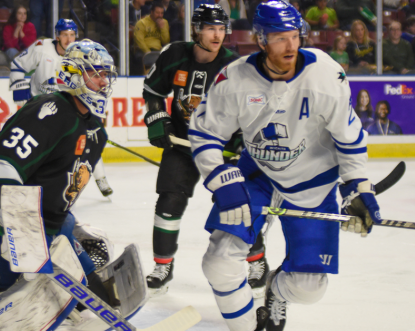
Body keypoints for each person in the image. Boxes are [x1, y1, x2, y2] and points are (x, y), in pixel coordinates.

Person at [190, 2, 383, 330]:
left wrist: (357, 187)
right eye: (280, 38)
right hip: (258, 175)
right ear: (261, 39)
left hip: (314, 182)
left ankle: (276, 291)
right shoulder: (235, 78)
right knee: (219, 262)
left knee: (309, 290)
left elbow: (349, 137)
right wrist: (223, 181)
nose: (291, 45)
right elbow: (204, 131)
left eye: (295, 36)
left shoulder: (326, 73)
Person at [0, 39, 119, 317]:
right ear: (75, 74)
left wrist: (71, 224)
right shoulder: (50, 112)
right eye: (95, 73)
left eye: (106, 75)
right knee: (26, 310)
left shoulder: (96, 131)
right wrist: (16, 225)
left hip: (48, 228)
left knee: (102, 305)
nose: (103, 82)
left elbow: (57, 183)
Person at [142, 4, 271, 299]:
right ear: (196, 30)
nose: (218, 35)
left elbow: (250, 114)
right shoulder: (174, 54)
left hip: (219, 149)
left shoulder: (235, 68)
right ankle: (162, 266)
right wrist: (156, 117)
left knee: (237, 203)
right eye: (210, 28)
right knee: (169, 200)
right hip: (182, 145)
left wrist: (241, 146)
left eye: (221, 28)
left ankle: (257, 261)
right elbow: (153, 91)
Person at [9, 19, 115, 198]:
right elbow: (18, 65)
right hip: (41, 106)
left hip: (66, 105)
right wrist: (21, 96)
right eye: (65, 35)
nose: (68, 39)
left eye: (72, 35)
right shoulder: (41, 48)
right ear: (57, 36)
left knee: (87, 139)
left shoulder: (80, 55)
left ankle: (100, 177)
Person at [133, 1, 170, 75]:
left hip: (158, 50)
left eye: (161, 13)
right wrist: (148, 52)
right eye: (157, 13)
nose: (160, 15)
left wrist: (162, 29)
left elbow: (166, 41)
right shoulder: (142, 23)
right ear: (151, 12)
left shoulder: (164, 23)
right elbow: (139, 41)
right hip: (143, 51)